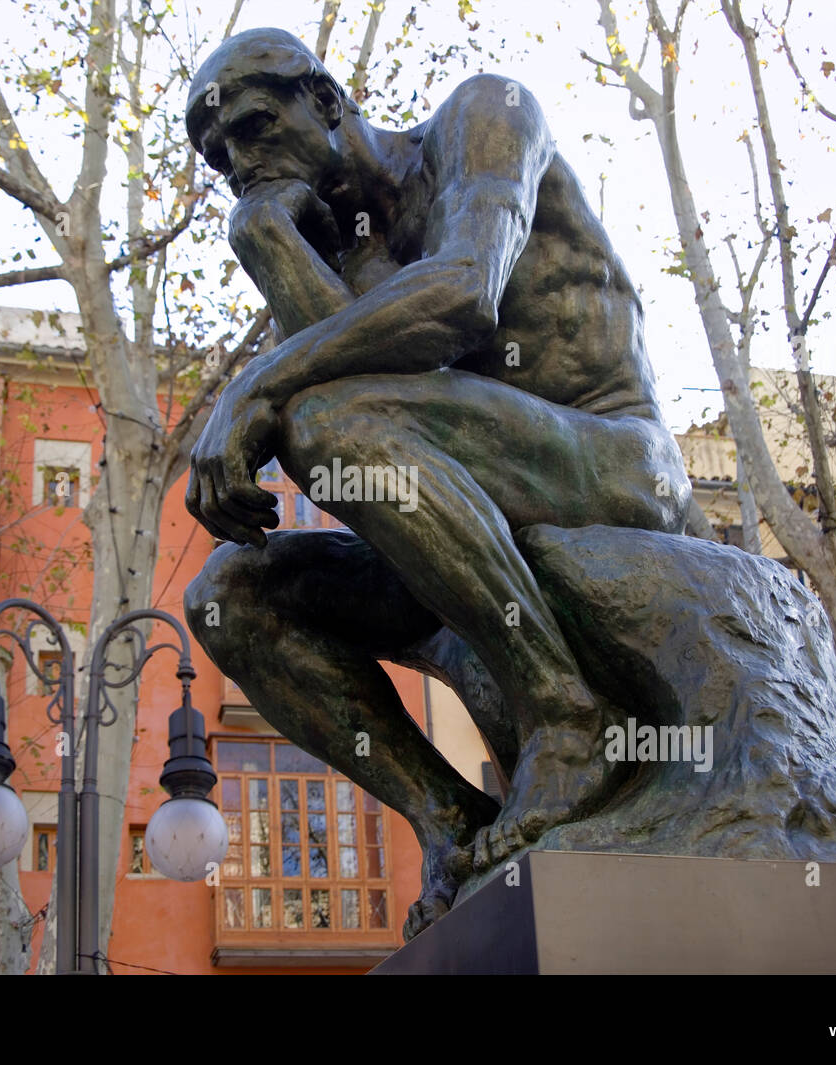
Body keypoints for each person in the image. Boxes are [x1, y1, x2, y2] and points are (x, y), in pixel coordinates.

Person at [182, 28, 691, 939]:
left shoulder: (481, 116)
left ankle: (566, 717)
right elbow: (352, 384)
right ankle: (451, 820)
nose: (240, 163)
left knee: (326, 422)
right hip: (466, 511)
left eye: (255, 128)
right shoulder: (334, 254)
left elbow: (460, 297)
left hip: (611, 460)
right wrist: (265, 240)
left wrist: (255, 384)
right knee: (228, 596)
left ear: (328, 101)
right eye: (219, 157)